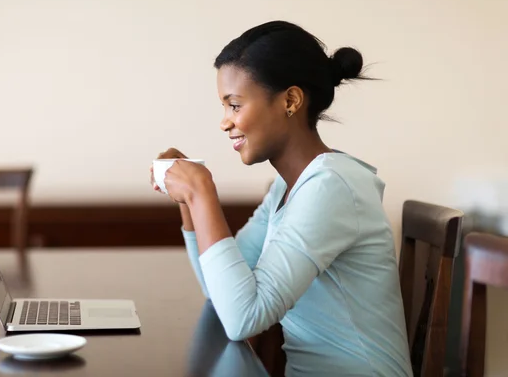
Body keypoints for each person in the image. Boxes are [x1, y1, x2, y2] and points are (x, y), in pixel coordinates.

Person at [150, 20, 412, 376]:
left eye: (235, 105)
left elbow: (244, 318)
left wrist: (201, 192)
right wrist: (187, 201)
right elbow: (220, 293)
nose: (225, 122)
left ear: (290, 100)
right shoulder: (288, 188)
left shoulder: (331, 186)